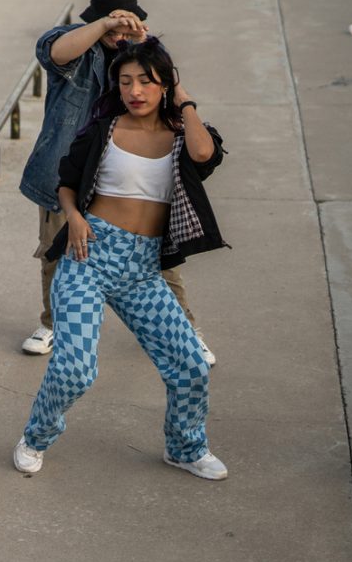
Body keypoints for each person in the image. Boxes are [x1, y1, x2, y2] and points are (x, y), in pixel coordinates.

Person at [14, 38, 228, 480]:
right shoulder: (103, 130)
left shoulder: (181, 137)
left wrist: (184, 101)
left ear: (165, 84)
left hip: (143, 271)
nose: (135, 90)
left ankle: (185, 448)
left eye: (146, 82)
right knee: (75, 369)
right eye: (126, 81)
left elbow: (206, 155)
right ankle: (36, 437)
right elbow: (66, 183)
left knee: (189, 364)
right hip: (88, 257)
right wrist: (72, 216)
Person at [14, 0, 209, 363]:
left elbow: (171, 88)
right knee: (59, 252)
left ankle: (184, 328)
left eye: (127, 23)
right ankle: (53, 324)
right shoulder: (77, 43)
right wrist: (103, 26)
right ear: (98, 18)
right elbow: (52, 50)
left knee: (157, 255)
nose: (120, 32)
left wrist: (144, 47)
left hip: (129, 173)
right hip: (66, 172)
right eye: (112, 24)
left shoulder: (146, 52)